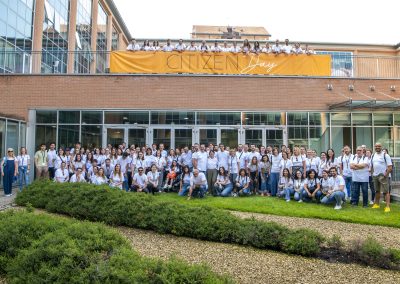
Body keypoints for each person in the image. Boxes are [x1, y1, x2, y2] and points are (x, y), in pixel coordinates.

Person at [370, 143, 392, 212]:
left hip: (383, 175)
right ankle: (377, 204)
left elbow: (390, 167)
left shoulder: (386, 155)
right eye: (376, 146)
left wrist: (385, 175)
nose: (377, 147)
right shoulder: (373, 155)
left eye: (379, 146)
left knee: (386, 192)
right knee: (377, 191)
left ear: (381, 147)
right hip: (375, 175)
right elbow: (372, 166)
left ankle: (387, 207)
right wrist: (372, 173)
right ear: (374, 147)